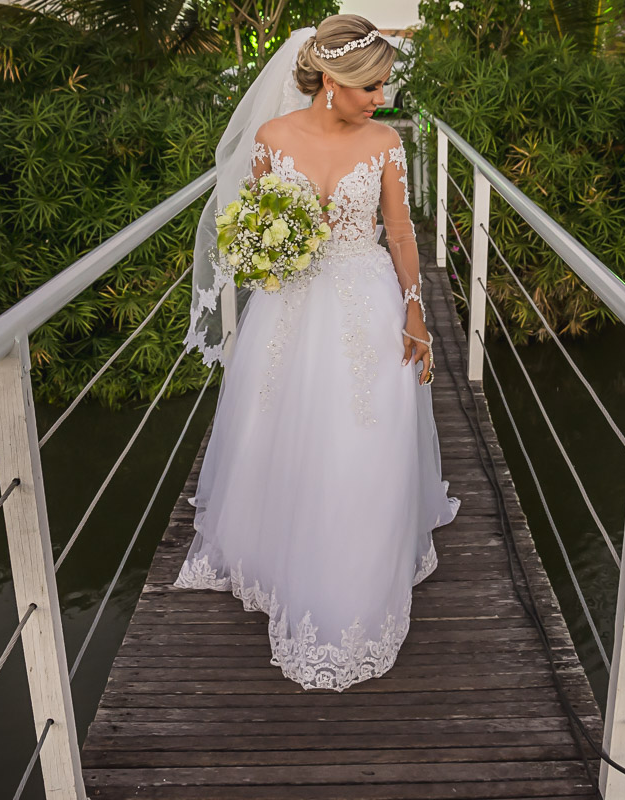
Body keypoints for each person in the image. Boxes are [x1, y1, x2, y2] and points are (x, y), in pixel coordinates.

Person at [174, 14, 460, 691]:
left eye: (387, 85)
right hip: (292, 304)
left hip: (367, 298)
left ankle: (354, 578)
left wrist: (417, 311)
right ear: (333, 80)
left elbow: (400, 231)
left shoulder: (386, 142)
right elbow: (248, 222)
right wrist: (271, 244)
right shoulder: (272, 138)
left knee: (366, 434)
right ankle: (273, 556)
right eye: (373, 86)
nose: (384, 97)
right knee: (279, 429)